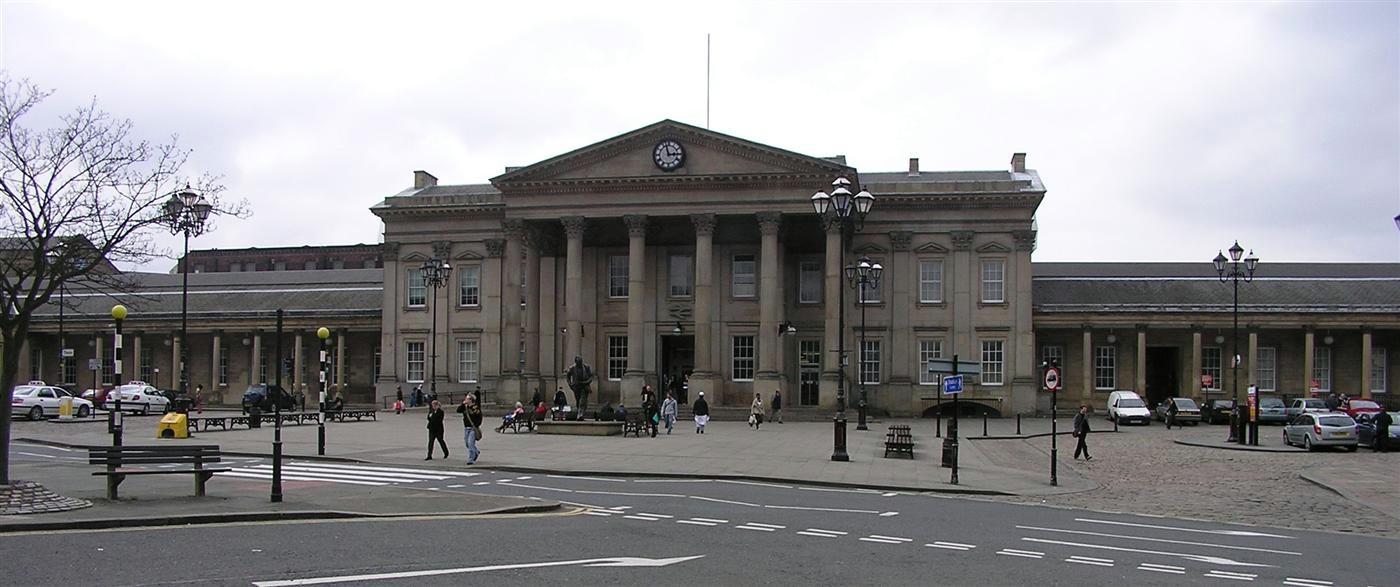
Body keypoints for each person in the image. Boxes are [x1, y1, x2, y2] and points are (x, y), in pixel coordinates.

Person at [456, 394, 483, 464]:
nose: (465, 400)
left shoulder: (475, 408)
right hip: (466, 427)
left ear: (471, 400)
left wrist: (476, 425)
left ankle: (471, 459)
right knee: (467, 444)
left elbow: (479, 417)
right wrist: (462, 404)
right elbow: (458, 410)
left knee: (471, 443)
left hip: (472, 428)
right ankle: (476, 451)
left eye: (467, 399)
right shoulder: (465, 407)